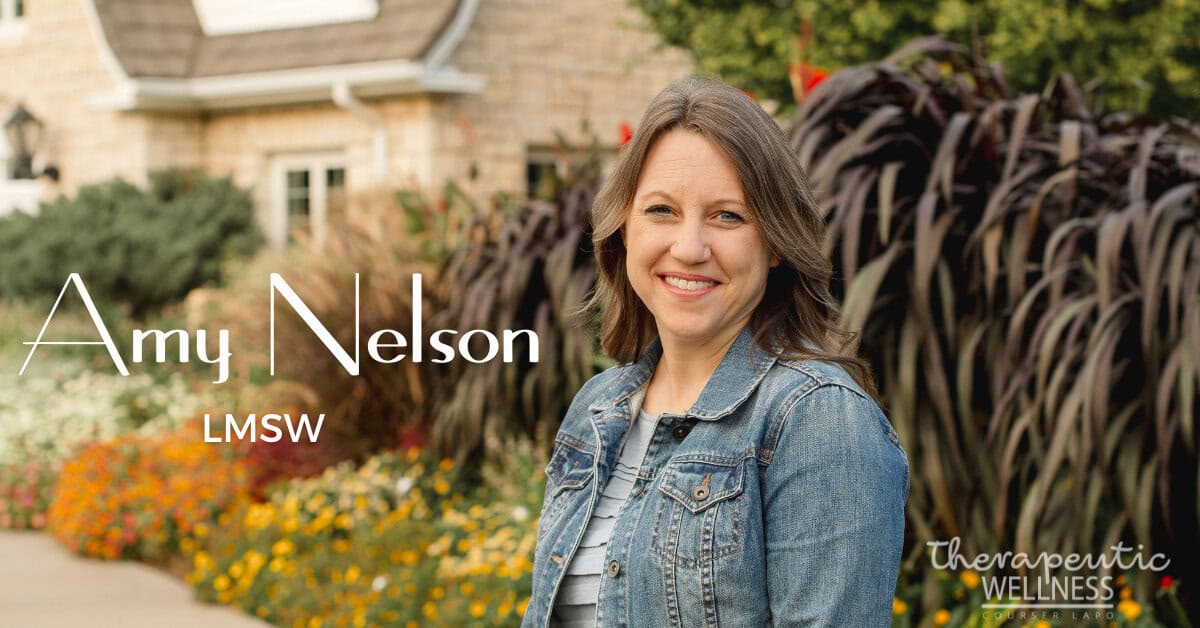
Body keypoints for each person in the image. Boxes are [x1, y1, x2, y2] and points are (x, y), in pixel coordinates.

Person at [523, 76, 909, 628]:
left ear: (775, 242)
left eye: (728, 215)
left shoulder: (819, 420)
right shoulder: (598, 406)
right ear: (624, 229)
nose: (689, 248)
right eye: (661, 210)